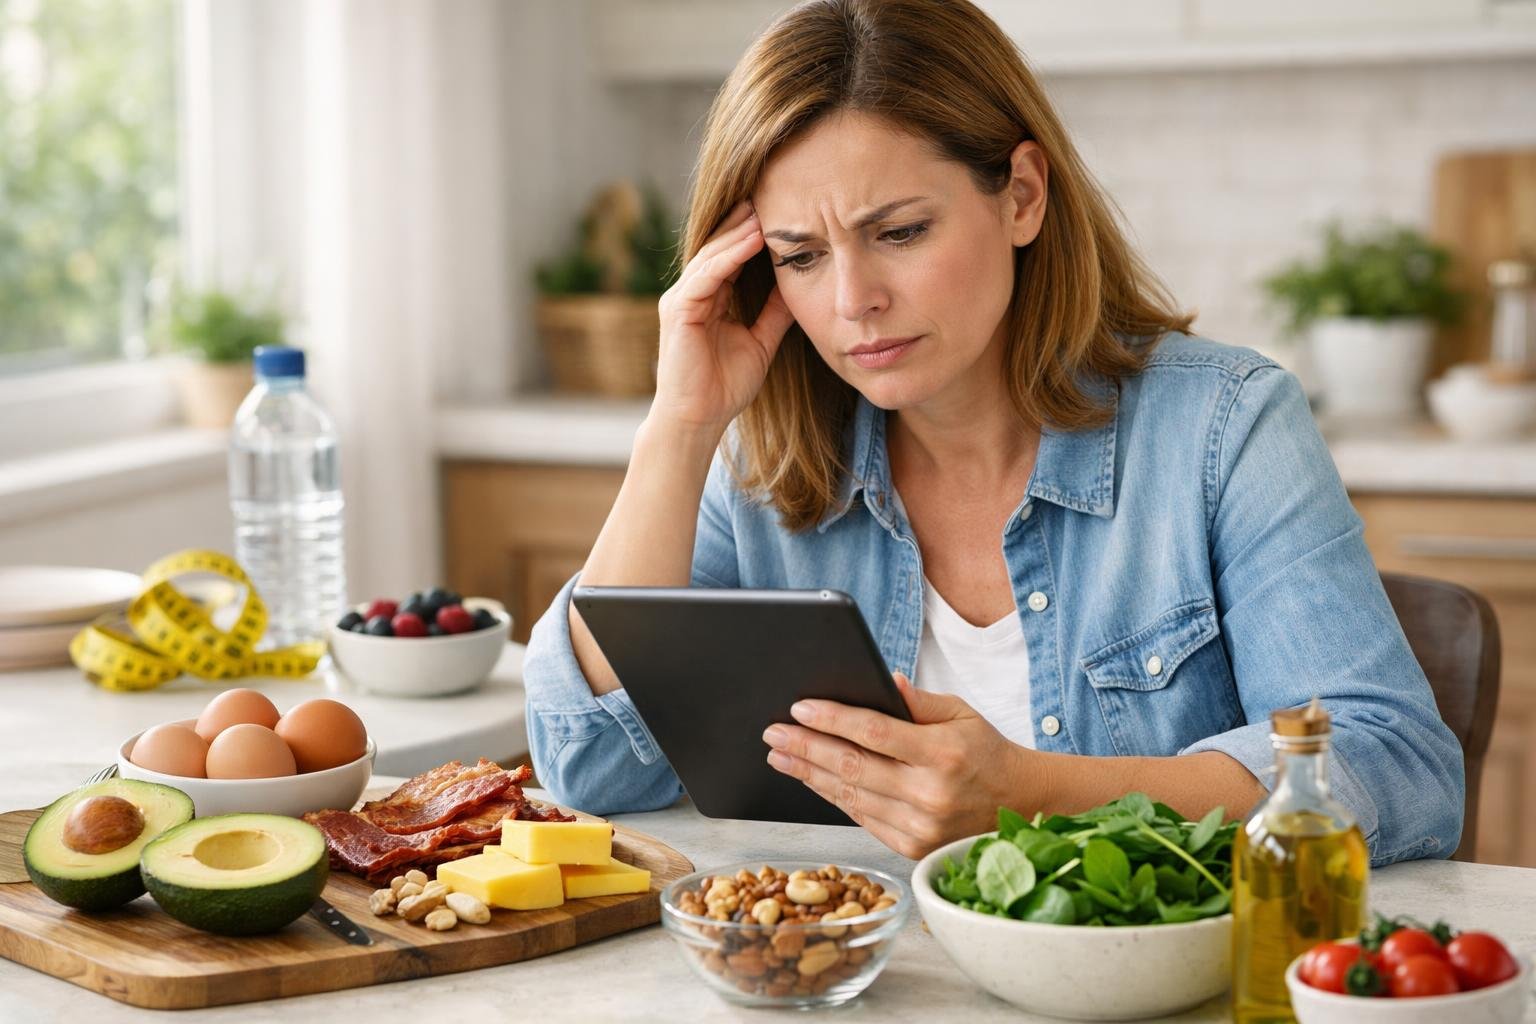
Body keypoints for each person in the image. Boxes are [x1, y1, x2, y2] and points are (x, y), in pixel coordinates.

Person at [522, 0, 1463, 866]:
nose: (853, 302)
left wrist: (1035, 794)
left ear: (1021, 195)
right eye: (800, 257)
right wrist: (678, 429)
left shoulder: (1224, 428)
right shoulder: (765, 463)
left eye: (898, 232)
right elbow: (592, 766)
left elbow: (1395, 765)